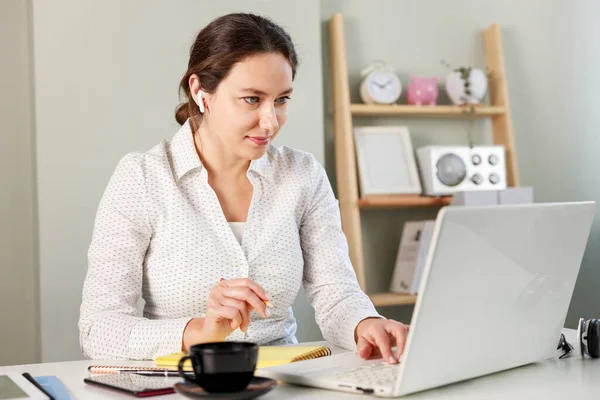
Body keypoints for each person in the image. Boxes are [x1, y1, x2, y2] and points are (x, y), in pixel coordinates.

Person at [78, 12, 408, 364]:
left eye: (282, 99)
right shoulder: (143, 177)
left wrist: (366, 322)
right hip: (183, 383)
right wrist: (199, 332)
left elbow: (336, 292)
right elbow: (98, 328)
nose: (270, 121)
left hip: (284, 381)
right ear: (201, 92)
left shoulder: (303, 175)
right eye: (252, 99)